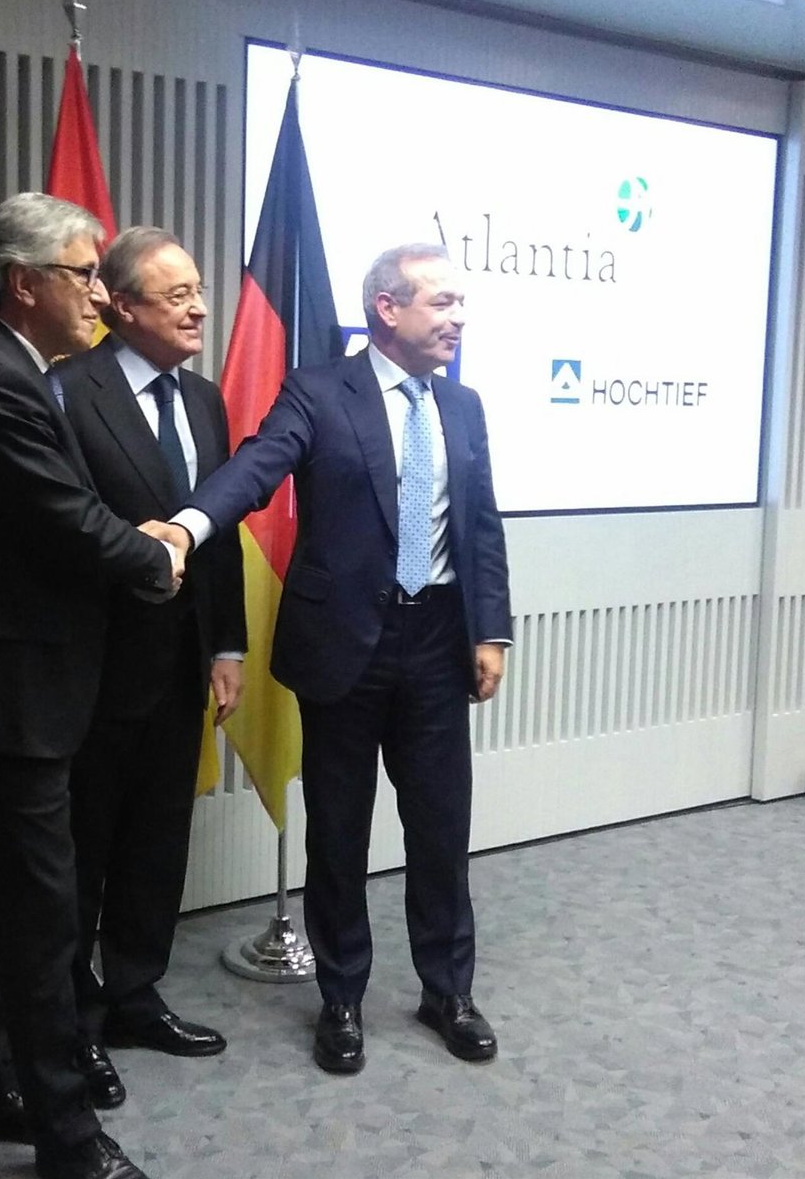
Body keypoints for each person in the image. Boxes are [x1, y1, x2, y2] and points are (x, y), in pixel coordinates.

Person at [170, 244, 511, 1075]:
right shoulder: (320, 392)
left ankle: (448, 990)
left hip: (436, 643)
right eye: (442, 302)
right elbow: (257, 467)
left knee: (442, 829)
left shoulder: (462, 405)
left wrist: (491, 630)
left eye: (460, 303)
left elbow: (481, 524)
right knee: (339, 833)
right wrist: (187, 525)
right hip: (343, 647)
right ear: (387, 308)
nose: (458, 318)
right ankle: (342, 995)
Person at [0, 192, 176, 1179]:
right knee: (41, 917)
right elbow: (67, 518)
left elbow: (56, 513)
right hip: (4, 692)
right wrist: (155, 555)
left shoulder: (23, 371)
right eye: (84, 273)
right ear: (24, 283)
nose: (100, 292)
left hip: (16, 684)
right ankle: (68, 1136)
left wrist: (135, 538)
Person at [57, 227, 244, 1078]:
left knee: (158, 840)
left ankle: (135, 993)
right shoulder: (67, 390)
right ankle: (72, 1020)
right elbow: (65, 531)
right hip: (93, 667)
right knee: (81, 850)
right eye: (177, 296)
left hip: (182, 663)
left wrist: (227, 644)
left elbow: (218, 531)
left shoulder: (204, 399)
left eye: (198, 290)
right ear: (122, 306)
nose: (199, 308)